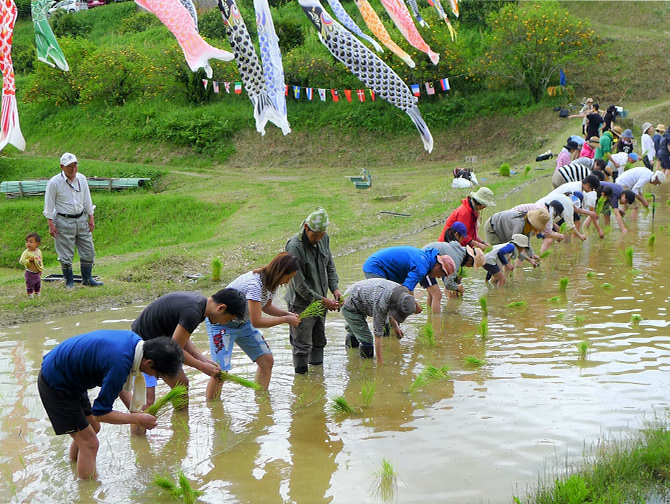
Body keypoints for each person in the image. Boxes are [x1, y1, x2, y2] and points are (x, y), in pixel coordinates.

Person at [37, 330, 183, 479]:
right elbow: (100, 414)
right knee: (90, 443)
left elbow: (118, 385)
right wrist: (137, 419)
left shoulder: (135, 344)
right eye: (158, 375)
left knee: (93, 428)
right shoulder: (120, 363)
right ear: (149, 363)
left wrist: (137, 413)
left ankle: (74, 465)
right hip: (56, 384)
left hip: (70, 376)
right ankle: (87, 493)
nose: (155, 378)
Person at [123, 288, 247, 408]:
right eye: (228, 319)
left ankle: (180, 426)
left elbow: (182, 339)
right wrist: (202, 366)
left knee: (181, 386)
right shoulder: (192, 312)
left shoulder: (198, 304)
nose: (224, 323)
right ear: (221, 308)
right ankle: (156, 423)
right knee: (147, 402)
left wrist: (204, 360)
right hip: (143, 347)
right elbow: (175, 349)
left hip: (156, 342)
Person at [205, 252, 301, 398]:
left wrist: (286, 314)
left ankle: (262, 401)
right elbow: (257, 321)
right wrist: (286, 320)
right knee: (220, 372)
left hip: (243, 323)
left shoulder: (271, 284)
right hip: (221, 324)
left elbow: (266, 307)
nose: (287, 282)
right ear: (279, 273)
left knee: (266, 360)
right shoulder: (254, 284)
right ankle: (213, 411)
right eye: (288, 278)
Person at [284, 208, 341, 374]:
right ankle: (301, 380)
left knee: (319, 340)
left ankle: (317, 380)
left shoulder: (323, 238)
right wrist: (324, 301)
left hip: (321, 300)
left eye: (322, 235)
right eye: (316, 235)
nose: (319, 239)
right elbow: (299, 285)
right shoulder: (294, 247)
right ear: (307, 228)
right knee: (302, 345)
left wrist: (335, 288)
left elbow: (330, 266)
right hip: (301, 303)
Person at [362, 246, 455, 337]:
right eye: (442, 274)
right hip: (375, 267)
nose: (439, 277)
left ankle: (392, 335)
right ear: (439, 267)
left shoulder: (425, 260)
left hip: (384, 269)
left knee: (392, 302)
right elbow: (406, 290)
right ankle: (385, 340)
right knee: (384, 303)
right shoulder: (422, 266)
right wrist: (416, 306)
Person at [43, 153, 101, 290]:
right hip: (63, 220)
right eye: (69, 166)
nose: (73, 168)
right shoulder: (54, 183)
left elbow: (87, 199)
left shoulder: (81, 179)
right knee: (65, 253)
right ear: (62, 167)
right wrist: (51, 224)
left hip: (81, 218)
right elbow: (49, 205)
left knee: (88, 249)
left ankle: (87, 278)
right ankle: (69, 281)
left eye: (75, 165)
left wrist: (91, 216)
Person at [341, 278, 421, 363]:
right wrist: (380, 362)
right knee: (367, 339)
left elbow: (390, 309)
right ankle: (366, 366)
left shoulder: (400, 293)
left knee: (355, 331)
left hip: (359, 296)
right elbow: (378, 334)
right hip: (350, 303)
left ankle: (351, 356)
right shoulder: (381, 304)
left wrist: (396, 327)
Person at [421, 239, 485, 312]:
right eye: (471, 265)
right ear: (470, 259)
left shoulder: (458, 251)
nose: (468, 267)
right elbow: (448, 283)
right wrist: (458, 288)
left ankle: (429, 317)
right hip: (424, 264)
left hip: (425, 261)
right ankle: (436, 320)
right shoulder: (456, 259)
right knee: (437, 295)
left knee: (432, 294)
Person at [483, 208, 550, 266]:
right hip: (493, 228)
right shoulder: (519, 224)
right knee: (499, 260)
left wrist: (532, 255)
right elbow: (514, 247)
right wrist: (529, 260)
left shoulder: (529, 225)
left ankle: (505, 278)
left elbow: (527, 241)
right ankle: (497, 279)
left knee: (506, 260)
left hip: (504, 229)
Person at [20, 232, 44, 298]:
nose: (28, 243)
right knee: (30, 284)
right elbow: (21, 261)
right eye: (27, 242)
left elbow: (40, 260)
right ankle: (30, 295)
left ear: (37, 243)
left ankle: (37, 293)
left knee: (38, 284)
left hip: (37, 273)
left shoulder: (38, 251)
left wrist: (41, 269)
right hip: (30, 273)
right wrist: (29, 261)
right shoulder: (26, 252)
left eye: (31, 242)